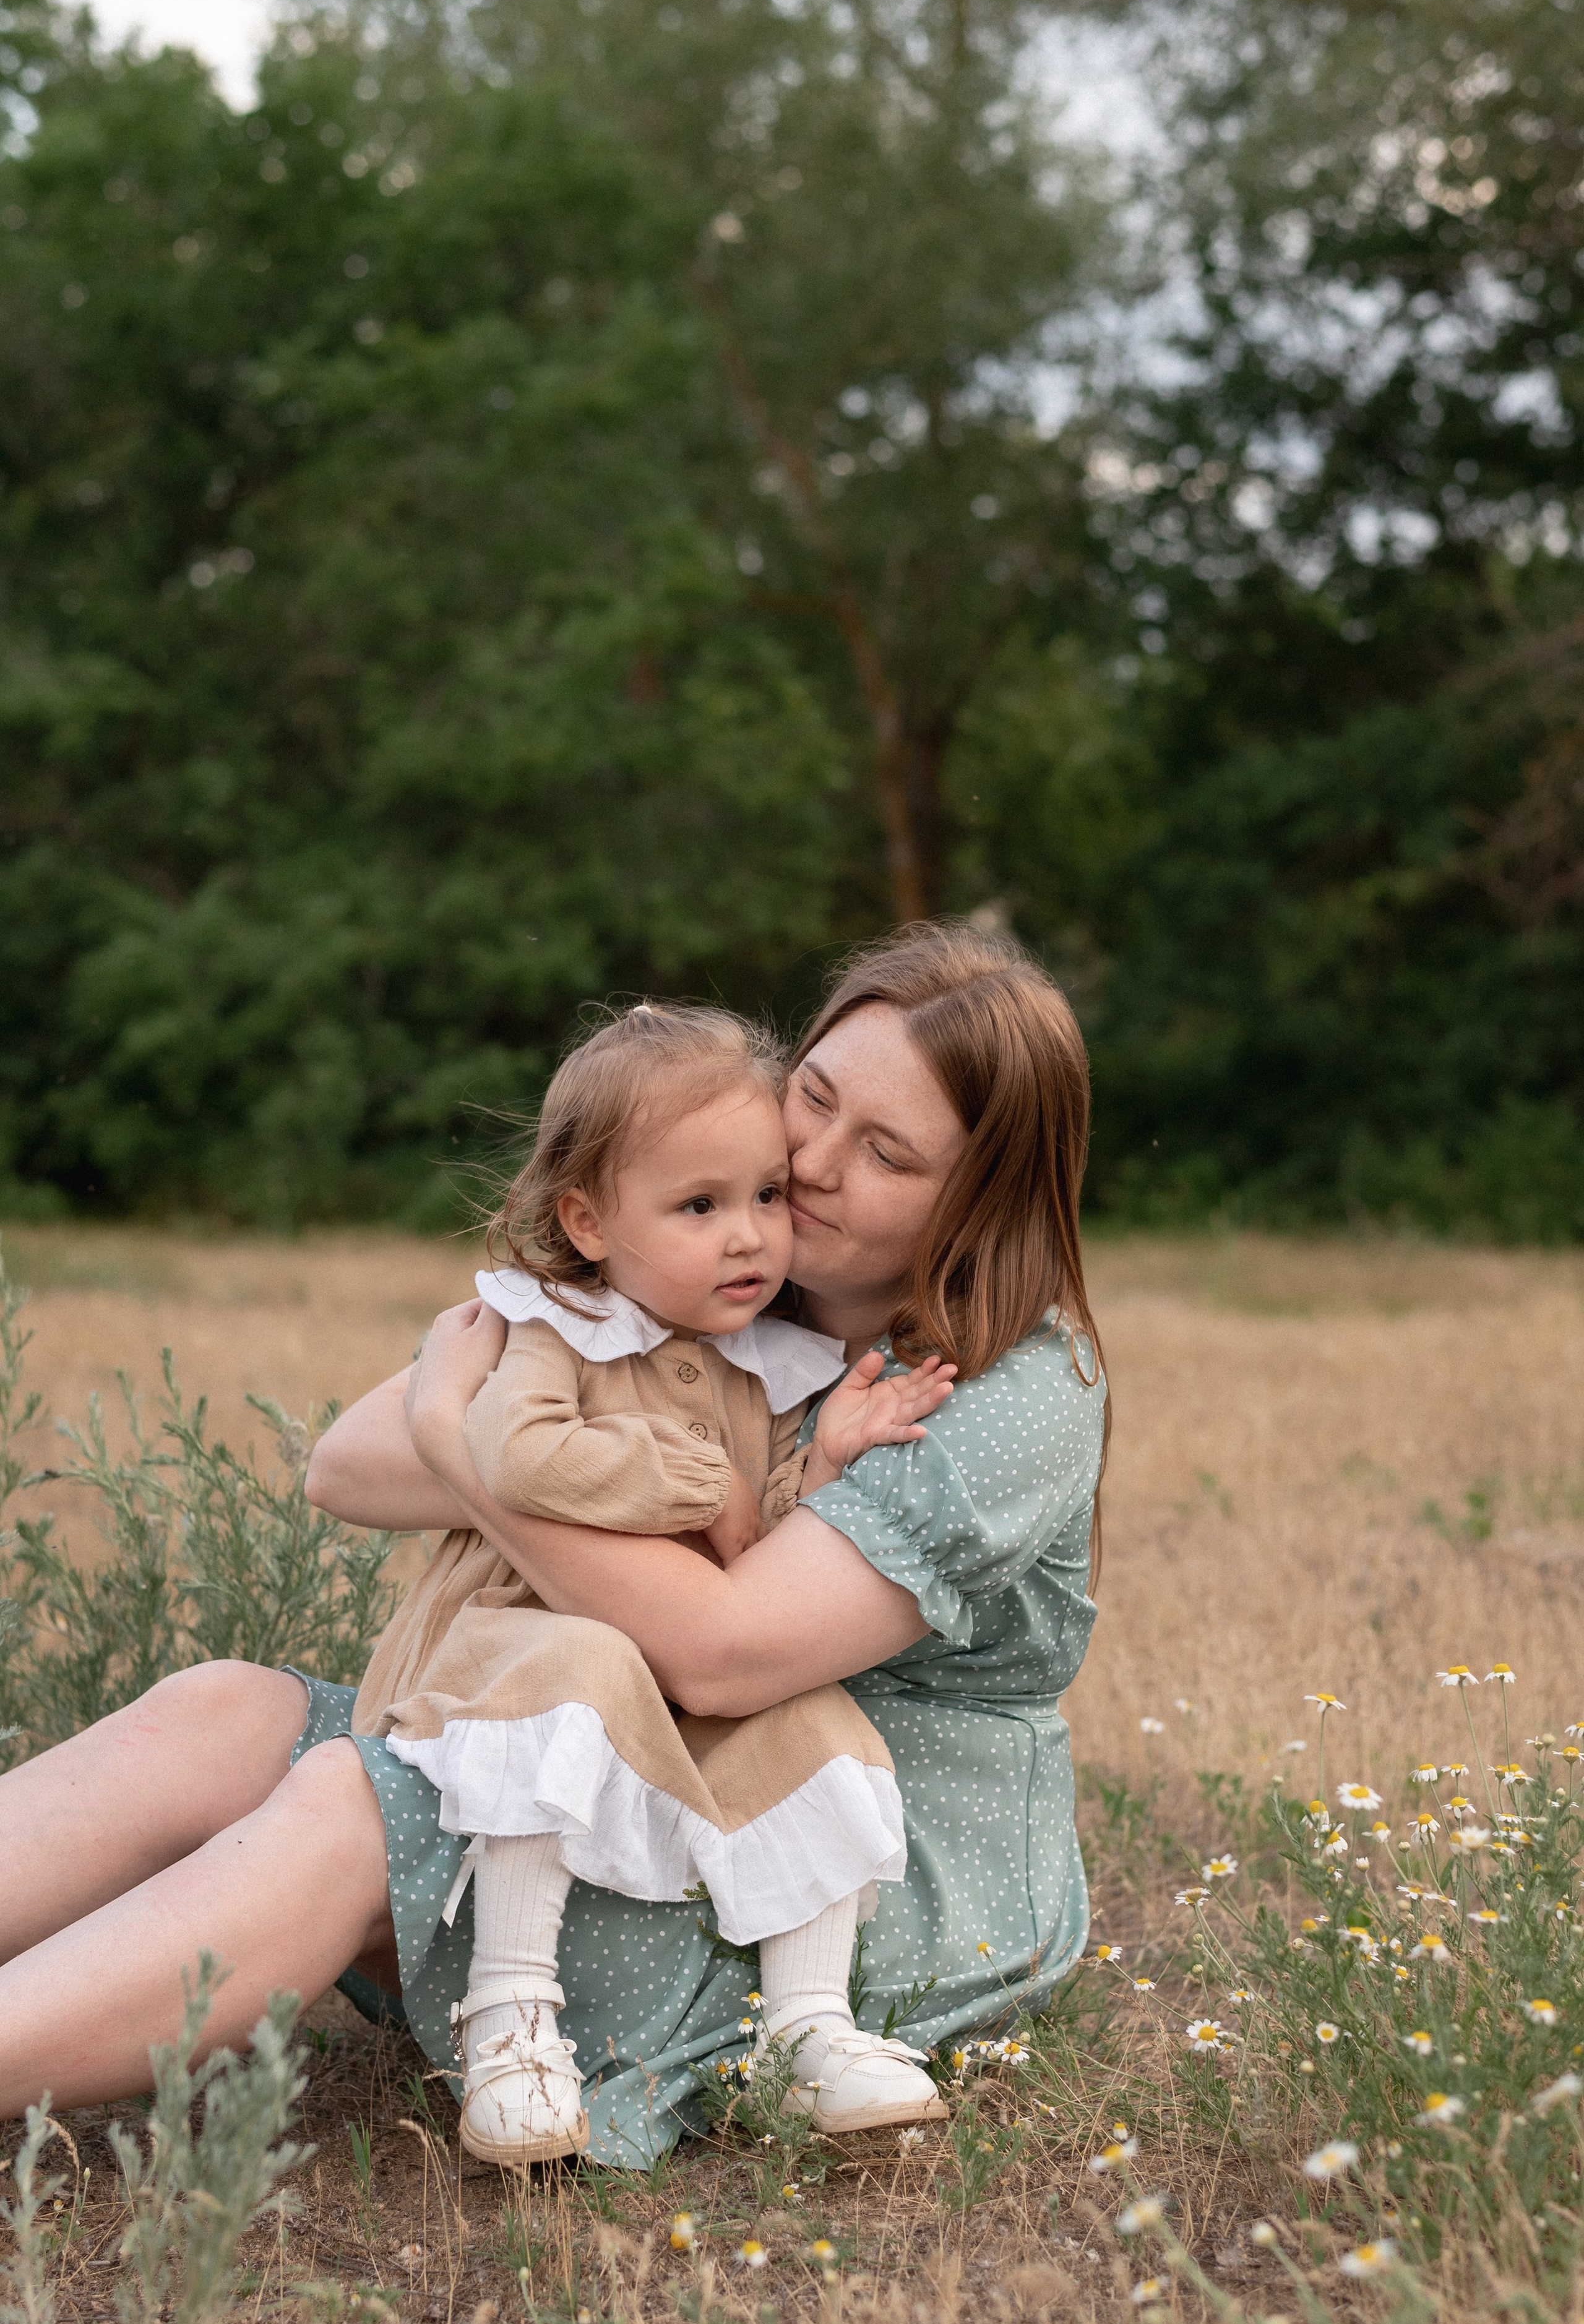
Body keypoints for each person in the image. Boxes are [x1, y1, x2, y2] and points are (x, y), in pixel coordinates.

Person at [0, 923, 1108, 2169]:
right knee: (223, 1711)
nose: (808, 1160)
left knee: (366, 1803)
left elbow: (725, 1657)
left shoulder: (1010, 1386)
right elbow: (349, 1463)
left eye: (886, 1152)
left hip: (839, 1858)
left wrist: (468, 1446)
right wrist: (457, 1419)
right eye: (813, 1095)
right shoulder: (727, 1251)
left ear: (976, 1198)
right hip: (628, 1752)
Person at [359, 997, 956, 2163]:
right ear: (588, 1221)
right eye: (700, 1207)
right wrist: (690, 1479)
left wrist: (820, 1458)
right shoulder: (556, 1327)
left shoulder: (756, 1360)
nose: (750, 1238)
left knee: (817, 1728)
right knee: (579, 1663)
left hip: (667, 1662)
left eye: (765, 1198)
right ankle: (512, 2015)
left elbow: (754, 1546)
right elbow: (517, 1454)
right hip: (518, 1639)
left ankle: (808, 2030)